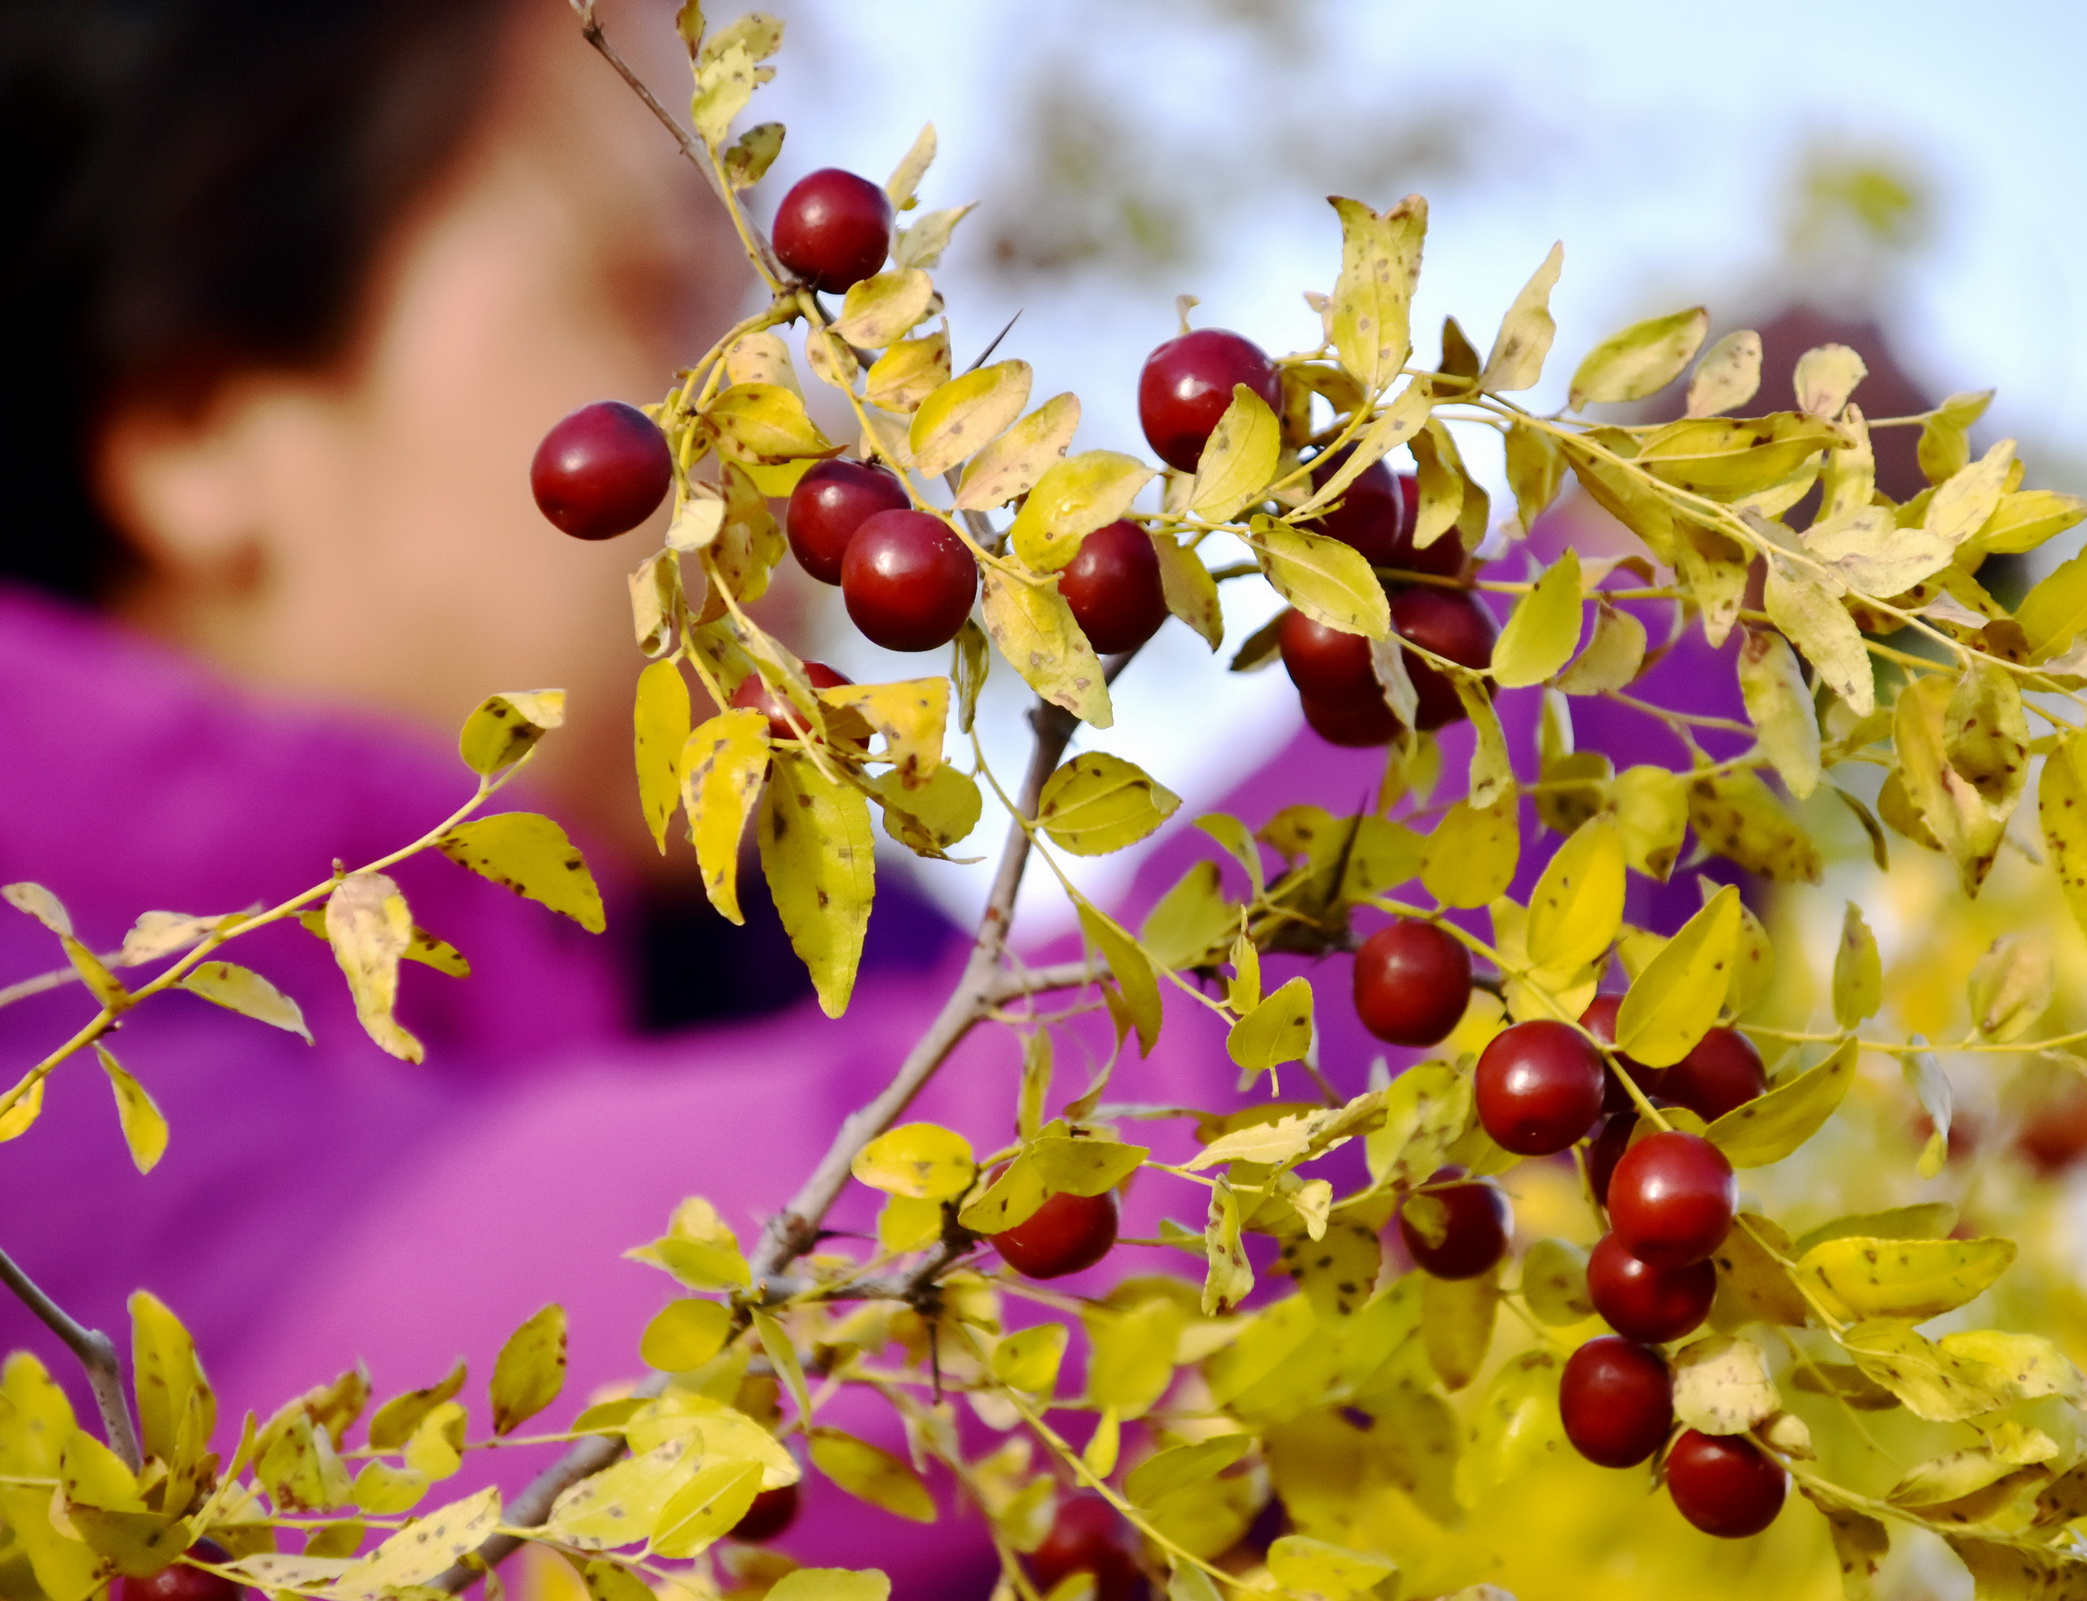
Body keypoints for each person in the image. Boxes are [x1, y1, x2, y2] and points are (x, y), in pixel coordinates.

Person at [0, 1, 1758, 1592]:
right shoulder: (48, 1093)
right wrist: (1662, 611)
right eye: (649, 286)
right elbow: (1049, 1232)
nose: (786, 408)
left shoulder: (784, 966)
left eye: (763, 309)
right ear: (201, 424)